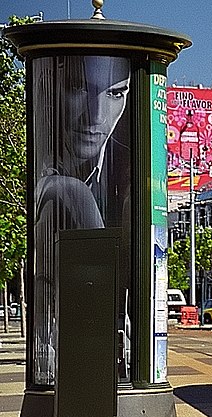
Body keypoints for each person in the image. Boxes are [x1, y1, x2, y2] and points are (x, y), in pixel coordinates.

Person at [32, 55, 132, 384]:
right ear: (51, 89)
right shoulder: (59, 188)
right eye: (78, 88)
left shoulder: (129, 174)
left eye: (115, 94)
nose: (97, 116)